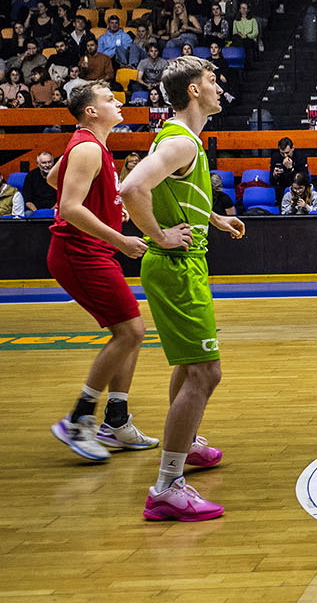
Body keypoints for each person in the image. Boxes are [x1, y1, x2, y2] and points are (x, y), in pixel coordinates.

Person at [118, 56, 245, 522]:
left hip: (178, 262)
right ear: (193, 91)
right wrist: (160, 235)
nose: (218, 86)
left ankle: (185, 445)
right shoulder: (180, 143)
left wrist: (212, 218)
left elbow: (171, 191)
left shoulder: (181, 138)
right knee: (205, 374)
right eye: (212, 80)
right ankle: (167, 487)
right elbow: (131, 188)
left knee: (191, 366)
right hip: (175, 263)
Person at [46, 81, 158, 462]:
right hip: (79, 253)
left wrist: (109, 205)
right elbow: (70, 207)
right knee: (130, 332)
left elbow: (52, 180)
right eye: (110, 99)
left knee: (130, 333)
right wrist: (120, 239)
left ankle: (116, 420)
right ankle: (79, 419)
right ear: (91, 111)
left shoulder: (87, 144)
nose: (118, 101)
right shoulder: (89, 147)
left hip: (91, 250)